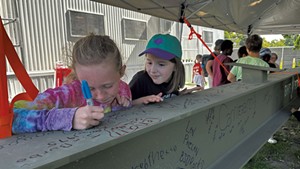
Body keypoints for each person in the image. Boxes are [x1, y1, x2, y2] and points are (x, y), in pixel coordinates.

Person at [12, 34, 132, 133]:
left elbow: (123, 91)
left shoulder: (122, 88)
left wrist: (128, 103)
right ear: (77, 74)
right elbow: (13, 119)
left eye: (107, 86)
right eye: (90, 88)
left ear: (121, 72)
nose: (100, 96)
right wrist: (70, 118)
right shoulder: (68, 94)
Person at [129, 34, 200, 105]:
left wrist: (178, 95)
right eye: (149, 63)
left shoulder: (172, 80)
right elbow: (121, 106)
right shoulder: (140, 80)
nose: (153, 70)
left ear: (175, 67)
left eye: (161, 64)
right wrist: (142, 100)